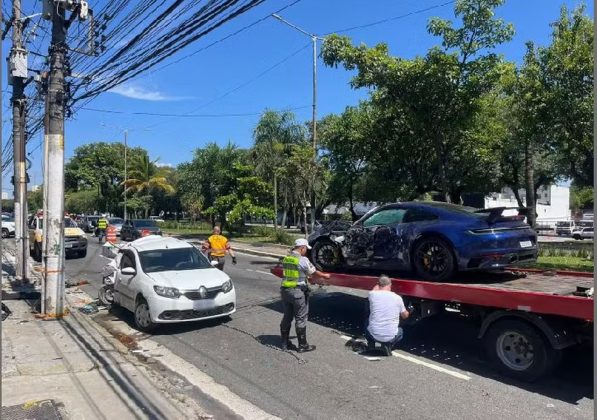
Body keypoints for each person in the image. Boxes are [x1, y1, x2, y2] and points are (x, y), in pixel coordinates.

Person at [280, 238, 331, 352]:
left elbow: (295, 273)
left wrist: (306, 278)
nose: (306, 251)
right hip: (297, 292)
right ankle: (303, 345)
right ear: (302, 248)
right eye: (306, 249)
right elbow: (313, 272)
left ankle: (284, 343)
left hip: (285, 291)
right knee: (301, 318)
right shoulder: (302, 260)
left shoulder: (287, 258)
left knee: (287, 316)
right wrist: (324, 276)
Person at [364, 275, 412, 356]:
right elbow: (405, 316)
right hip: (391, 337)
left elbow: (375, 288)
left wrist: (379, 283)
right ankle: (388, 345)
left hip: (373, 335)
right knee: (401, 331)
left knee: (366, 321)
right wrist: (409, 311)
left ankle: (372, 344)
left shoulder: (372, 295)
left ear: (378, 285)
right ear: (390, 285)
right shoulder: (397, 298)